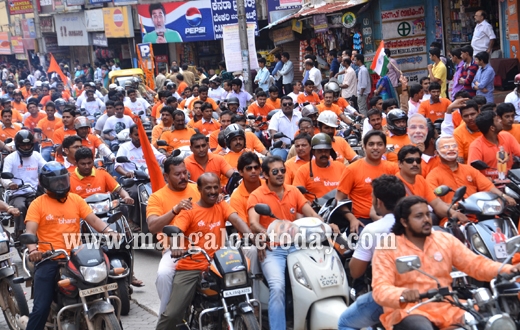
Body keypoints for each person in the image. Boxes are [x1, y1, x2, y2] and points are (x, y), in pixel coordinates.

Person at [372, 196, 519, 330]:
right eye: (419, 216)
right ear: (404, 221)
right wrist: (402, 294)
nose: (426, 220)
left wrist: (507, 270)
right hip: (410, 310)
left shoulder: (444, 239)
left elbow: (475, 264)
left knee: (490, 322)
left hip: (448, 306)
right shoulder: (388, 245)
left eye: (427, 214)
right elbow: (380, 288)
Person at [23, 161, 122, 330]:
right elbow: (30, 232)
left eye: (63, 180)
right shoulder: (37, 204)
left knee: (106, 290)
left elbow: (93, 220)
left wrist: (109, 232)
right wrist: (34, 250)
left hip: (77, 257)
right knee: (41, 307)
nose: (61, 184)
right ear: (46, 184)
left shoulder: (76, 199)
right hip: (50, 258)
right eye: (56, 182)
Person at [155, 173, 252, 330]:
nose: (213, 191)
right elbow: (177, 231)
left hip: (218, 263)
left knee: (244, 285)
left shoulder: (221, 205)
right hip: (192, 265)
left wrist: (252, 236)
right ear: (199, 189)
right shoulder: (189, 210)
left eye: (216, 187)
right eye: (208, 188)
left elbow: (236, 220)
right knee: (172, 313)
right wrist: (176, 246)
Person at [247, 156, 322, 330]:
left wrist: (324, 224)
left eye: (282, 170)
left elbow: (311, 214)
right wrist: (266, 235)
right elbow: (253, 223)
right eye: (275, 171)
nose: (280, 174)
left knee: (316, 280)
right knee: (278, 286)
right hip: (273, 250)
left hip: (297, 246)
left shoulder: (293, 191)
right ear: (265, 174)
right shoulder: (257, 195)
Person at [338, 175, 405, 330]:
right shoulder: (418, 225)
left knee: (345, 322)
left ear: (378, 202)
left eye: (372, 197)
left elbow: (355, 272)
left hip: (387, 297)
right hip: (424, 292)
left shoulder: (373, 230)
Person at [147, 156, 201, 315]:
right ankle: (167, 320)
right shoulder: (157, 197)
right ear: (166, 177)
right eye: (178, 174)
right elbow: (152, 226)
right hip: (175, 251)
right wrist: (174, 210)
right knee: (163, 275)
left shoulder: (199, 189)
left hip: (205, 246)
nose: (183, 177)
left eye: (185, 173)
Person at [336, 130, 399, 233]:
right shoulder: (352, 169)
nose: (375, 147)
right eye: (371, 144)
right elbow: (339, 199)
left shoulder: (393, 168)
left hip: (388, 219)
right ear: (364, 147)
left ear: (384, 148)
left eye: (379, 144)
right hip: (361, 220)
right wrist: (352, 219)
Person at [426, 136, 515, 206]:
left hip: (479, 213)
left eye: (454, 146)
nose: (451, 149)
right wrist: (451, 207)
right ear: (437, 153)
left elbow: (487, 187)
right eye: (446, 147)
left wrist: (504, 196)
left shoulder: (469, 169)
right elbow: (434, 202)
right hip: (453, 219)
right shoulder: (433, 176)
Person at [396, 145, 468, 224]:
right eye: (410, 160)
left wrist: (454, 213)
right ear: (400, 164)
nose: (415, 164)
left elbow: (436, 204)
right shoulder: (395, 183)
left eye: (418, 160)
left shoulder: (420, 180)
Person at [2, 129, 46, 238]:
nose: (26, 147)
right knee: (20, 207)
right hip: (17, 193)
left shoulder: (36, 155)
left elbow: (46, 166)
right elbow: (4, 176)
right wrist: (10, 183)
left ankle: (45, 229)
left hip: (35, 191)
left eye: (28, 145)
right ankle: (20, 232)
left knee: (46, 206)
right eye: (23, 145)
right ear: (17, 145)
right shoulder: (10, 158)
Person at [468, 110, 520, 180]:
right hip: (490, 184)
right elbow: (471, 171)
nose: (500, 120)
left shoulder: (507, 136)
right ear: (492, 128)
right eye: (497, 120)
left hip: (511, 181)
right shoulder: (476, 146)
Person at [293, 133, 345, 201]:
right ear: (314, 152)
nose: (323, 154)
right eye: (320, 151)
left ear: (330, 151)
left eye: (326, 151)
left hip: (338, 207)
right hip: (315, 209)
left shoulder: (341, 167)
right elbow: (296, 195)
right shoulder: (303, 170)